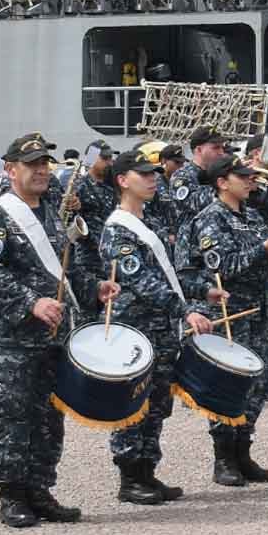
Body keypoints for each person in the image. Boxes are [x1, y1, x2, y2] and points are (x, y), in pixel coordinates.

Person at [0, 132, 116, 527]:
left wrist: (94, 288)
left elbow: (64, 270)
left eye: (44, 163)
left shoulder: (51, 210)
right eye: (32, 164)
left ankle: (39, 488)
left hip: (55, 334)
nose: (40, 170)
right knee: (14, 414)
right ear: (12, 169)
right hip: (12, 338)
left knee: (50, 416)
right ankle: (12, 494)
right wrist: (29, 302)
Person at [99, 150, 216, 503]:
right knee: (132, 404)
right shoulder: (118, 230)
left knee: (156, 404)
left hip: (160, 332)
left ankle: (148, 472)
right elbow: (144, 282)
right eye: (143, 174)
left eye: (153, 173)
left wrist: (202, 290)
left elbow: (168, 276)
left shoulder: (148, 223)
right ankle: (129, 477)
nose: (153, 179)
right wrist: (185, 311)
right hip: (135, 331)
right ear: (122, 181)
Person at [182, 154, 268, 486]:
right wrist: (263, 250)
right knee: (229, 384)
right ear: (222, 183)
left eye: (250, 175)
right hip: (229, 315)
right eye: (242, 176)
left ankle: (243, 452)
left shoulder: (252, 216)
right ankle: (224, 458)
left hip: (259, 311)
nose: (250, 180)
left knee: (257, 384)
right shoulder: (211, 219)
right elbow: (222, 268)